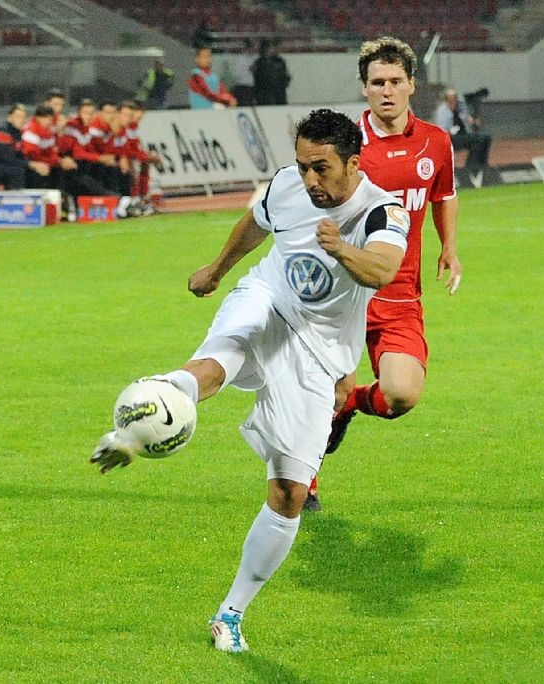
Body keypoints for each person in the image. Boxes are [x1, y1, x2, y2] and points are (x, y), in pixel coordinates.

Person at [90, 108, 410, 652]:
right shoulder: (289, 185)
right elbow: (257, 222)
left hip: (317, 350)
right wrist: (217, 269)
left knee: (288, 492)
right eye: (303, 166)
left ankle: (231, 613)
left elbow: (382, 270)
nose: (309, 180)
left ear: (353, 163)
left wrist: (340, 248)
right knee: (225, 352)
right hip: (268, 296)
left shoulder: (384, 211)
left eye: (322, 169)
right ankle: (133, 429)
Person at [309, 36, 463, 510]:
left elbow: (443, 195)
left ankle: (353, 403)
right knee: (323, 394)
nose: (387, 90)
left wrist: (449, 249)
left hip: (401, 298)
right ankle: (305, 482)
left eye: (396, 81)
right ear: (364, 89)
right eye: (377, 82)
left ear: (412, 85)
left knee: (401, 396)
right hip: (346, 296)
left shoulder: (436, 142)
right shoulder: (346, 147)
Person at [0, 103, 49, 190]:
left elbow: (19, 155)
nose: (22, 120)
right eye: (18, 116)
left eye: (24, 117)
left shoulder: (17, 132)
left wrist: (35, 166)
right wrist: (31, 164)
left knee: (31, 172)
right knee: (17, 172)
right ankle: (13, 201)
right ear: (10, 117)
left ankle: (33, 200)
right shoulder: (3, 132)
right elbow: (8, 158)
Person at [433, 88, 492, 169]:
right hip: (451, 137)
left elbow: (465, 118)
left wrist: (473, 121)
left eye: (454, 98)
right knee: (477, 140)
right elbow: (441, 129)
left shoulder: (460, 107)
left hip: (463, 134)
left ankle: (482, 164)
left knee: (486, 138)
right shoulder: (442, 111)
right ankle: (471, 166)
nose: (454, 101)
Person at [252, 39, 291, 105]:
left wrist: (287, 78)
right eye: (271, 47)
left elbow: (285, 75)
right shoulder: (259, 62)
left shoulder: (279, 61)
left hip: (279, 93)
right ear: (266, 49)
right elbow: (258, 79)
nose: (273, 49)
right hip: (265, 95)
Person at [228, 40, 256, 106]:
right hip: (243, 86)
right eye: (251, 48)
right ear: (247, 48)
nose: (253, 50)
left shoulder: (253, 58)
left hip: (251, 86)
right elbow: (236, 73)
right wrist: (248, 70)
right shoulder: (241, 58)